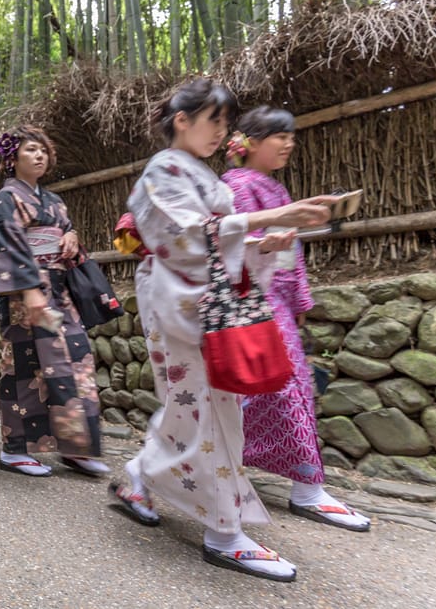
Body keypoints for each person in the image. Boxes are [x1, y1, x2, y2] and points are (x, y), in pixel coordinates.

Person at [114, 78, 333, 582]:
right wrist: (270, 216)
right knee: (203, 410)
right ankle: (224, 533)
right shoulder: (161, 171)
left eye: (224, 122)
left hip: (204, 301)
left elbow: (220, 245)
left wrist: (265, 244)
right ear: (181, 120)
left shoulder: (204, 177)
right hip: (178, 301)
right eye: (212, 119)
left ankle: (141, 477)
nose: (220, 131)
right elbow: (186, 240)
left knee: (202, 407)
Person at [222, 106, 370, 532]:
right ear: (248, 142)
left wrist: (298, 301)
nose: (287, 144)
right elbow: (234, 241)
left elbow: (291, 253)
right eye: (277, 136)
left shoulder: (276, 188)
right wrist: (266, 249)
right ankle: (303, 488)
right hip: (253, 302)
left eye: (290, 137)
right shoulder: (234, 186)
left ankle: (296, 482)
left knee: (290, 389)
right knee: (280, 390)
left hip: (276, 303)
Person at [0, 125, 110, 479]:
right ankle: (16, 449)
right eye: (30, 150)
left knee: (76, 361)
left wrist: (71, 238)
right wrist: (28, 290)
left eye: (43, 150)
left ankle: (76, 446)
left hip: (59, 290)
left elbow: (66, 233)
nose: (39, 155)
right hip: (25, 296)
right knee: (25, 370)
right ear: (13, 158)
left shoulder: (54, 201)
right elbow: (5, 245)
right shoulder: (6, 200)